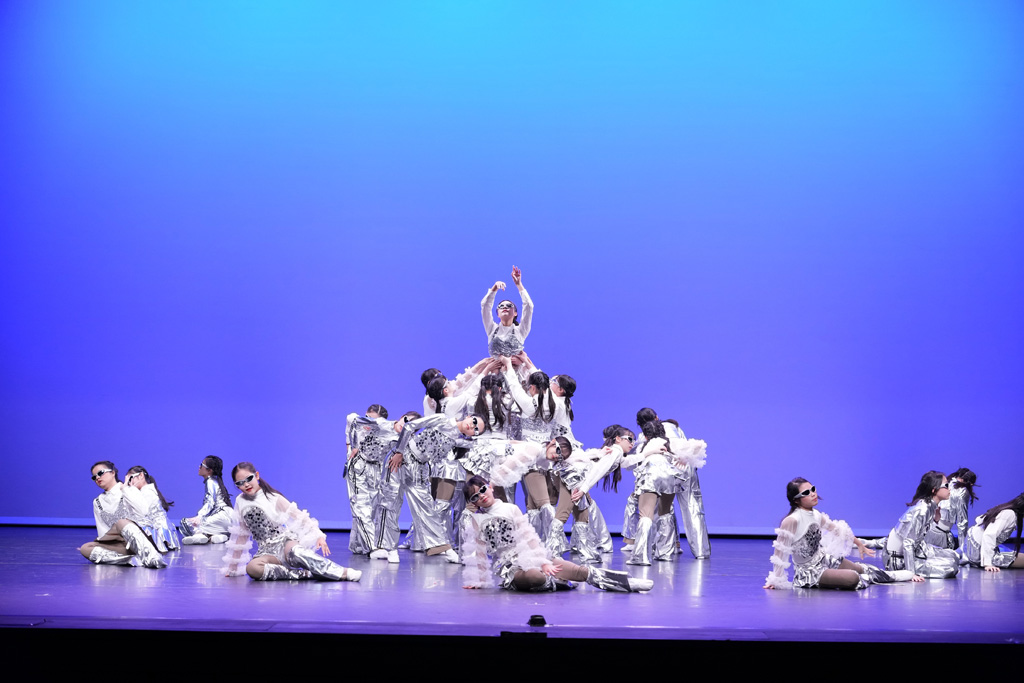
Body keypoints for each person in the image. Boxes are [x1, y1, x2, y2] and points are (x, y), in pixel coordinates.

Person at [460, 476, 653, 593]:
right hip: (512, 568)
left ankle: (627, 583)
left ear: (490, 487)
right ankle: (559, 582)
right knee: (535, 577)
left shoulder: (510, 508)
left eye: (482, 490)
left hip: (531, 555)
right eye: (475, 496)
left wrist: (543, 561)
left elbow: (528, 538)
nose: (481, 496)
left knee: (580, 572)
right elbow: (479, 552)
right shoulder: (477, 520)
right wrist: (479, 581)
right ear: (473, 502)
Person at [764, 478, 915, 589]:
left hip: (823, 559)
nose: (813, 494)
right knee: (852, 578)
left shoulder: (816, 514)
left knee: (859, 568)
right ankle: (876, 577)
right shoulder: (791, 520)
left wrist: (859, 544)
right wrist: (775, 580)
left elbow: (838, 530)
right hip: (808, 572)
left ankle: (900, 575)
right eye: (806, 493)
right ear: (796, 500)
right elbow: (780, 552)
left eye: (813, 489)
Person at [222, 462, 361, 582]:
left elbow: (300, 517)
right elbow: (241, 535)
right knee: (252, 568)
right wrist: (233, 568)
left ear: (256, 475)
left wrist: (319, 535)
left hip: (285, 544)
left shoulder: (273, 497)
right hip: (266, 552)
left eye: (249, 479)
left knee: (297, 552)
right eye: (240, 483)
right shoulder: (240, 501)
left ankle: (343, 572)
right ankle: (305, 574)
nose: (246, 484)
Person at [78, 461, 166, 568]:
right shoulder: (97, 501)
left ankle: (152, 557)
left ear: (112, 473)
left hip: (141, 539)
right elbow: (103, 531)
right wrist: (100, 546)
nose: (97, 478)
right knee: (85, 548)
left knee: (121, 522)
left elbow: (143, 511)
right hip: (120, 544)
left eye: (100, 473)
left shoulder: (129, 489)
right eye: (94, 477)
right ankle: (131, 560)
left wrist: (125, 490)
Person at [881, 471, 960, 579]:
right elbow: (908, 542)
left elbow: (921, 534)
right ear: (934, 489)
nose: (949, 489)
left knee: (953, 555)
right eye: (946, 485)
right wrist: (911, 573)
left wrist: (936, 520)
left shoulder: (930, 507)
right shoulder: (922, 510)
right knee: (950, 568)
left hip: (918, 549)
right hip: (898, 559)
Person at [345, 404, 395, 555]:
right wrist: (351, 447)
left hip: (376, 469)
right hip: (359, 466)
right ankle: (373, 547)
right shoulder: (359, 421)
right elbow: (350, 419)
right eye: (368, 417)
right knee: (361, 506)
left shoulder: (388, 430)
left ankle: (357, 544)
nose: (370, 422)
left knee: (371, 508)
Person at [482, 266, 533, 378]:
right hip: (494, 374)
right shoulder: (492, 329)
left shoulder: (520, 331)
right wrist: (494, 288)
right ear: (497, 314)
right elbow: (485, 306)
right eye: (501, 306)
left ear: (515, 313)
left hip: (517, 374)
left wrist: (519, 285)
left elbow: (529, 306)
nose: (505, 307)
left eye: (509, 306)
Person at [961, 492, 1024, 571]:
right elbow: (989, 535)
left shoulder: (1010, 513)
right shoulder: (1009, 514)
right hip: (977, 552)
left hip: (976, 548)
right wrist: (988, 563)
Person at [125, 465, 180, 552]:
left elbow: (141, 515)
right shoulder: (146, 491)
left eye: (130, 478)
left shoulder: (147, 492)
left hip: (158, 534)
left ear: (141, 475)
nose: (129, 482)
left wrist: (129, 491)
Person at [180, 455, 233, 544]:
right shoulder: (216, 481)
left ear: (209, 470)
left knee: (185, 522)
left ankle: (200, 535)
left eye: (201, 465)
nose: (199, 467)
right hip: (229, 518)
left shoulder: (210, 482)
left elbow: (210, 502)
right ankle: (218, 536)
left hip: (221, 516)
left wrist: (199, 516)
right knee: (201, 522)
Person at [924, 467, 978, 550]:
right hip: (940, 537)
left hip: (927, 532)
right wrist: (963, 549)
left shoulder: (946, 483)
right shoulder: (962, 491)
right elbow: (962, 522)